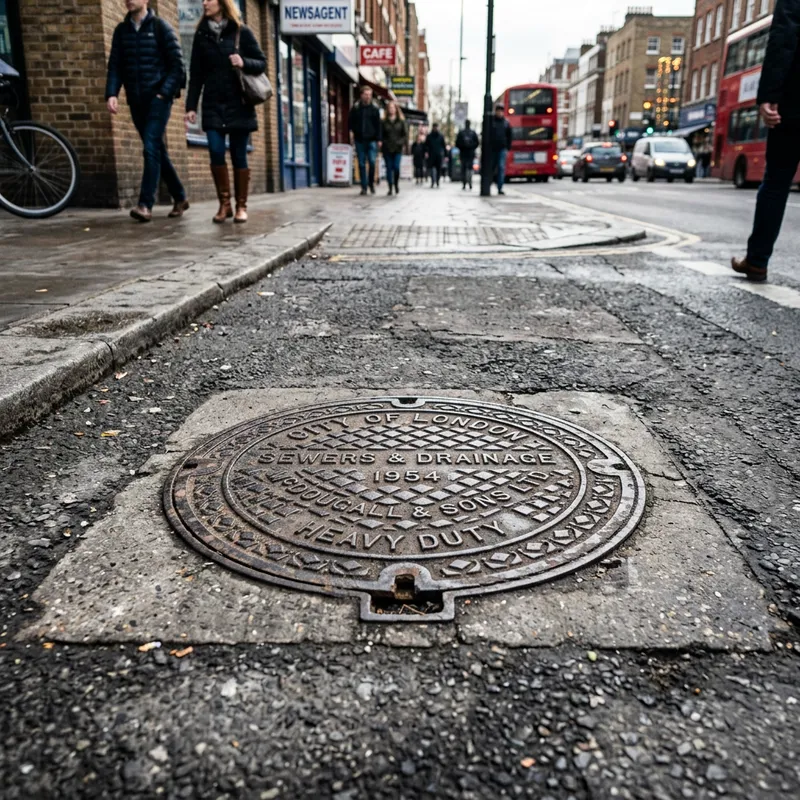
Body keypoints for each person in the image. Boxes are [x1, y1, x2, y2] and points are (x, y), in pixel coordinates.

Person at [732, 0, 800, 282]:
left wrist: (769, 95)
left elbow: (784, 36)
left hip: (794, 102)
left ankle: (757, 260)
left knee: (776, 183)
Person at [105, 0, 188, 223]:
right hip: (136, 100)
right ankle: (180, 196)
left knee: (150, 146)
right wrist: (111, 93)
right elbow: (115, 65)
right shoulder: (121, 31)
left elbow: (178, 67)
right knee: (157, 150)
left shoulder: (161, 27)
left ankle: (145, 204)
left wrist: (163, 93)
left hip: (158, 100)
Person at [185, 0, 267, 224]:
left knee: (239, 155)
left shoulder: (242, 32)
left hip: (239, 104)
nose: (204, 3)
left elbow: (261, 63)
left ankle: (241, 206)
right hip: (212, 104)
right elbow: (196, 74)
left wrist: (243, 61)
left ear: (221, 3)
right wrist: (191, 107)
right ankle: (224, 204)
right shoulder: (201, 36)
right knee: (215, 150)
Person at [349, 86, 382, 196]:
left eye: (370, 95)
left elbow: (378, 125)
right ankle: (364, 187)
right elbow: (351, 121)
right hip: (359, 139)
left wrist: (379, 139)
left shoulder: (375, 109)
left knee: (372, 162)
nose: (368, 97)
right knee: (361, 164)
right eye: (366, 94)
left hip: (372, 139)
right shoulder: (356, 107)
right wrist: (351, 132)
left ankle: (371, 183)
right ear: (361, 95)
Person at [382, 101, 407, 196]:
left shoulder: (401, 121)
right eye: (390, 108)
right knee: (389, 168)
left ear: (396, 109)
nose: (391, 109)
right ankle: (390, 187)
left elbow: (405, 135)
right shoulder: (384, 121)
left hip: (397, 149)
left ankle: (396, 183)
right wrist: (382, 142)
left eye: (393, 108)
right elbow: (381, 134)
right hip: (387, 148)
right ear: (387, 110)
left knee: (396, 167)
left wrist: (400, 142)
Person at [488, 103, 512, 195]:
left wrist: (508, 148)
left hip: (502, 148)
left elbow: (509, 136)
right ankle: (489, 185)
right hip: (493, 149)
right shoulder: (491, 121)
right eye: (498, 111)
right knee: (492, 167)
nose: (500, 113)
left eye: (501, 111)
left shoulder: (506, 123)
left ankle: (500, 188)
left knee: (501, 168)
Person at [455, 120, 479, 190]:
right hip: (467, 153)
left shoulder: (463, 133)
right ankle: (466, 182)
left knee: (466, 169)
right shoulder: (470, 133)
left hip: (466, 153)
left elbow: (457, 143)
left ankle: (466, 183)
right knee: (467, 168)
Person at [424, 123, 446, 188]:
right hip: (431, 155)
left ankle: (437, 181)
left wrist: (445, 155)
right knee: (431, 169)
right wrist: (426, 152)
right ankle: (433, 181)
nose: (435, 128)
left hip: (438, 155)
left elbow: (443, 146)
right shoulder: (429, 136)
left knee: (438, 169)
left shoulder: (441, 136)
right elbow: (426, 145)